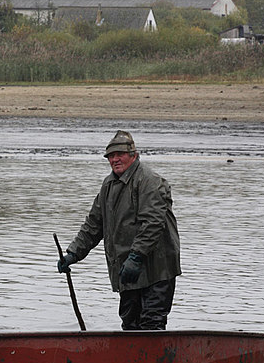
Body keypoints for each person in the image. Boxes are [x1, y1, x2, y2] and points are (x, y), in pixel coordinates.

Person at [57, 130, 181, 330]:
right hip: (128, 271)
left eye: (119, 155)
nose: (115, 160)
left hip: (157, 269)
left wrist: (136, 257)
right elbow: (94, 224)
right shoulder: (108, 185)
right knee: (130, 325)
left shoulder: (150, 182)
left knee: (152, 324)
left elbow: (152, 224)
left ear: (133, 155)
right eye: (111, 156)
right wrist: (73, 254)